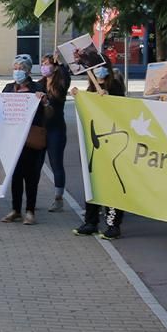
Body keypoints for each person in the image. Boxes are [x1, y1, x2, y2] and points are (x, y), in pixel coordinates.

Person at [70, 63, 128, 239]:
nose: (97, 72)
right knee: (92, 182)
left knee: (112, 186)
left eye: (100, 67)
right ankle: (91, 222)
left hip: (111, 145)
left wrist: (107, 97)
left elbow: (120, 108)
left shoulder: (115, 86)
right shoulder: (90, 89)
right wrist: (79, 96)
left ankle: (113, 225)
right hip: (95, 145)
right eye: (94, 68)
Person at [1, 56, 48, 224]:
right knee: (16, 176)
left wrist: (44, 102)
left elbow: (48, 112)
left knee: (31, 176)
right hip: (14, 139)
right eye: (15, 67)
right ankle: (15, 210)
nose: (17, 71)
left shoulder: (37, 87)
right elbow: (1, 108)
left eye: (21, 68)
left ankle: (30, 211)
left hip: (31, 138)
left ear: (28, 71)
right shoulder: (8, 88)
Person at [40, 54, 71, 212]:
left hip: (56, 129)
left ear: (55, 67)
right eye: (42, 63)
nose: (44, 66)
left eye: (47, 64)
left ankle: (58, 198)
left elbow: (66, 76)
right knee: (36, 164)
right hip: (40, 130)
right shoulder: (39, 83)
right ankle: (31, 198)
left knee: (56, 164)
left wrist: (61, 64)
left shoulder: (60, 83)